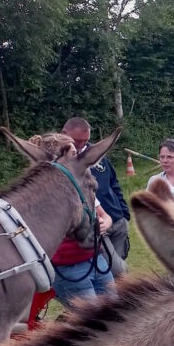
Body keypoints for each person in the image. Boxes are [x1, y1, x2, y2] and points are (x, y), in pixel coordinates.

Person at [30, 133, 116, 309]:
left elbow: (104, 216)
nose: (79, 157)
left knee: (116, 316)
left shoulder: (81, 185)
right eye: (73, 154)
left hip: (95, 259)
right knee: (93, 325)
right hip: (68, 268)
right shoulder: (41, 194)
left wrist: (105, 223)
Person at [61, 117, 129, 277]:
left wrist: (124, 213)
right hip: (96, 226)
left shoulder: (98, 155)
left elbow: (113, 184)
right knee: (116, 271)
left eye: (86, 141)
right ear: (64, 133)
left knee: (116, 270)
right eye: (77, 140)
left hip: (117, 222)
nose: (81, 145)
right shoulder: (61, 162)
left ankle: (117, 300)